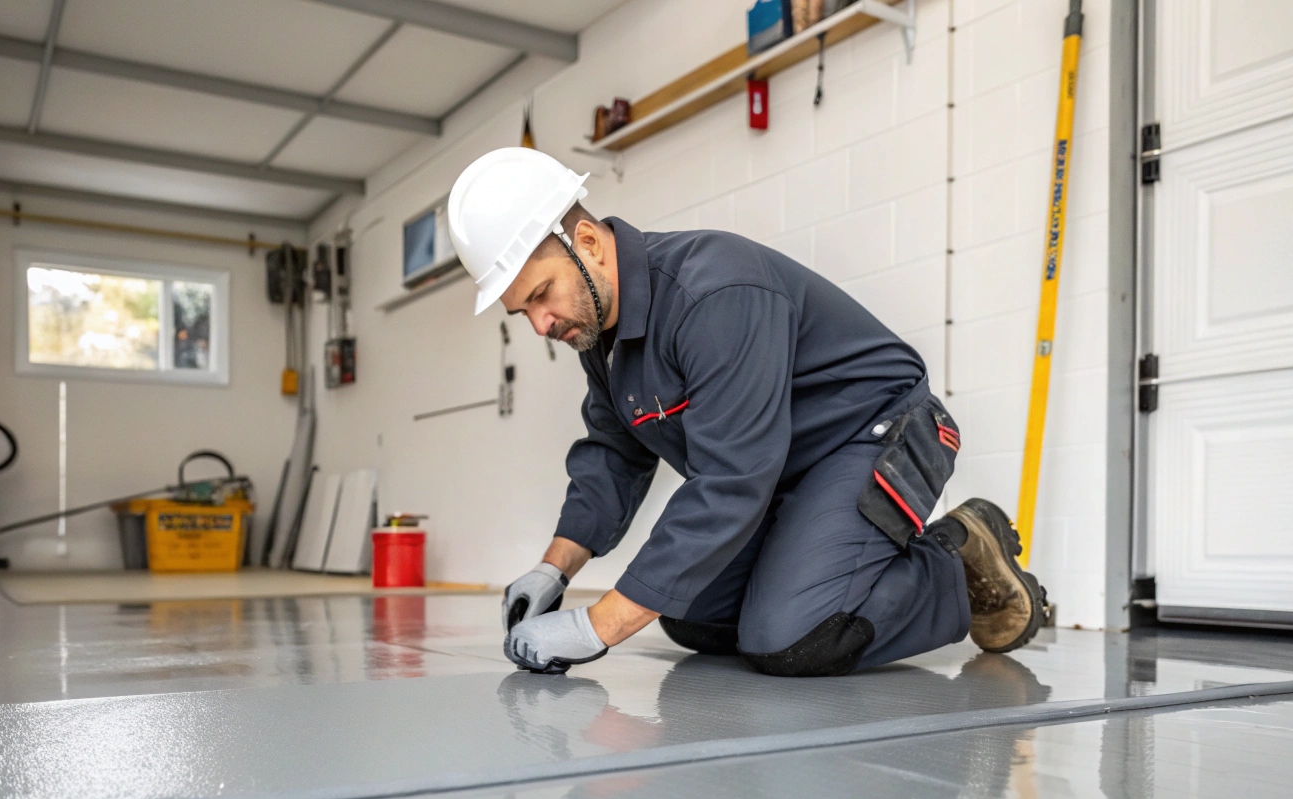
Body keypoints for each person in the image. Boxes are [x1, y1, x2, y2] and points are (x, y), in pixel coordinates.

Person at [447, 148, 1045, 676]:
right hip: (787, 467)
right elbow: (614, 451)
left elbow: (733, 476)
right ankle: (827, 569)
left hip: (877, 434)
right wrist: (554, 571)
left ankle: (958, 562)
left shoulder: (714, 292)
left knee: (792, 637)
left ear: (587, 245)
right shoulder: (603, 337)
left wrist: (597, 627)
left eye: (540, 296)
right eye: (521, 312)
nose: (540, 324)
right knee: (695, 617)